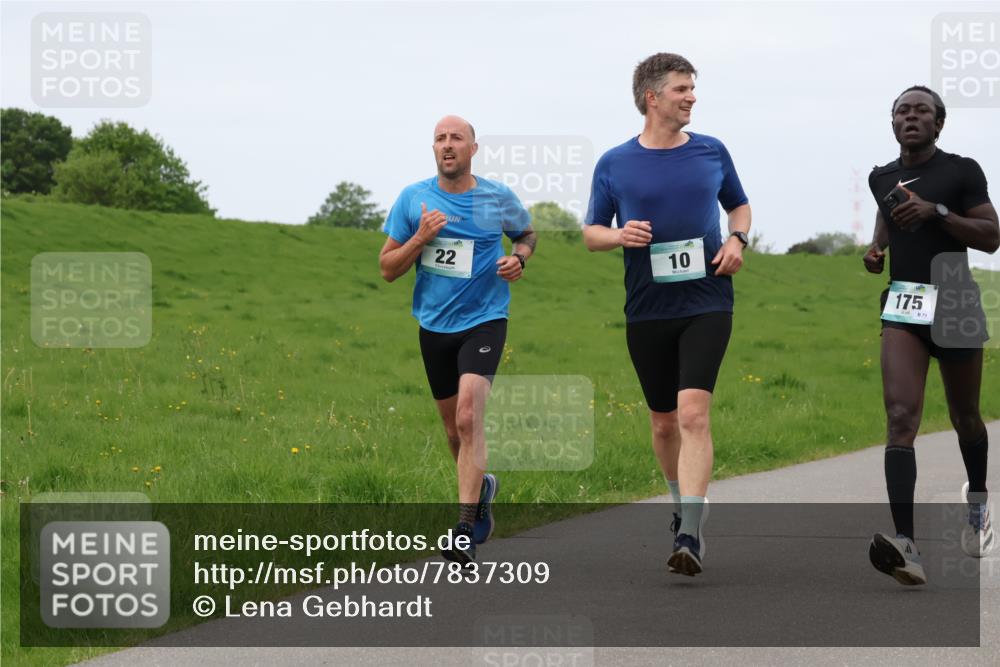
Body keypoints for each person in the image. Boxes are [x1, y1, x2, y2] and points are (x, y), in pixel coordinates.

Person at [582, 53, 751, 576]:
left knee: (693, 414)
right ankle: (680, 501)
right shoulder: (614, 162)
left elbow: (739, 206)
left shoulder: (711, 151)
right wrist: (619, 235)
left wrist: (738, 239)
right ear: (652, 97)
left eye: (692, 88)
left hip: (707, 300)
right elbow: (592, 232)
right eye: (682, 89)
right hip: (648, 307)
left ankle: (690, 532)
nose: (691, 96)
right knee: (662, 424)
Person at [379, 115, 537, 565]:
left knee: (469, 418)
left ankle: (463, 529)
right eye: (440, 139)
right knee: (453, 431)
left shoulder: (496, 197)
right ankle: (483, 489)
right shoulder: (414, 200)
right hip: (434, 327)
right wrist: (421, 237)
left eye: (456, 139)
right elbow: (388, 269)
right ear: (433, 149)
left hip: (486, 319)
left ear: (473, 148)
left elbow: (526, 234)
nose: (447, 145)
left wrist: (518, 259)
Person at [864, 85, 999, 585]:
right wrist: (876, 249)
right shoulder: (882, 177)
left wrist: (936, 212)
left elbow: (991, 236)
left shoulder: (962, 170)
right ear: (893, 122)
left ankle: (978, 506)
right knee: (900, 417)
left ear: (938, 124)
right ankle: (907, 546)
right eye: (902, 110)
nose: (911, 116)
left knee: (966, 418)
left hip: (958, 304)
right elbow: (885, 212)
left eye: (922, 110)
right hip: (905, 306)